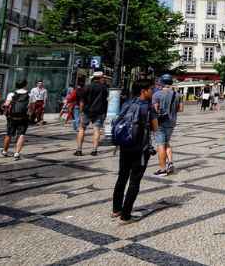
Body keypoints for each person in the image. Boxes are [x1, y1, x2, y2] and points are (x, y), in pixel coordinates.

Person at [111, 80, 158, 224]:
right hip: (140, 148)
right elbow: (155, 127)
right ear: (143, 91)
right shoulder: (148, 107)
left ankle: (116, 209)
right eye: (150, 88)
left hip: (124, 145)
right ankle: (126, 215)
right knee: (134, 181)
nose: (153, 91)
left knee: (122, 177)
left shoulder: (127, 103)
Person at [151, 74, 182, 177]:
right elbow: (180, 109)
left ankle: (162, 169)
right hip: (172, 122)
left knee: (160, 145)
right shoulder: (177, 95)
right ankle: (170, 163)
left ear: (162, 82)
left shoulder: (157, 95)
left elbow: (155, 110)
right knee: (166, 143)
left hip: (160, 123)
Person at [76, 72, 110, 156]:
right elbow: (106, 101)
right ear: (100, 78)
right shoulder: (104, 88)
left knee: (82, 129)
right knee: (96, 129)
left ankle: (79, 150)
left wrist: (80, 112)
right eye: (103, 78)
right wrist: (105, 113)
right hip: (99, 112)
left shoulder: (87, 87)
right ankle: (94, 150)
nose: (103, 79)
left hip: (86, 111)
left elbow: (82, 101)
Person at [1, 80, 30, 160]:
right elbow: (31, 107)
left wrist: (3, 106)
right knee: (21, 134)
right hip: (24, 118)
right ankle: (17, 153)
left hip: (12, 117)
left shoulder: (11, 94)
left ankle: (5, 151)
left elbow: (6, 105)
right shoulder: (29, 94)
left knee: (9, 134)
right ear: (25, 85)